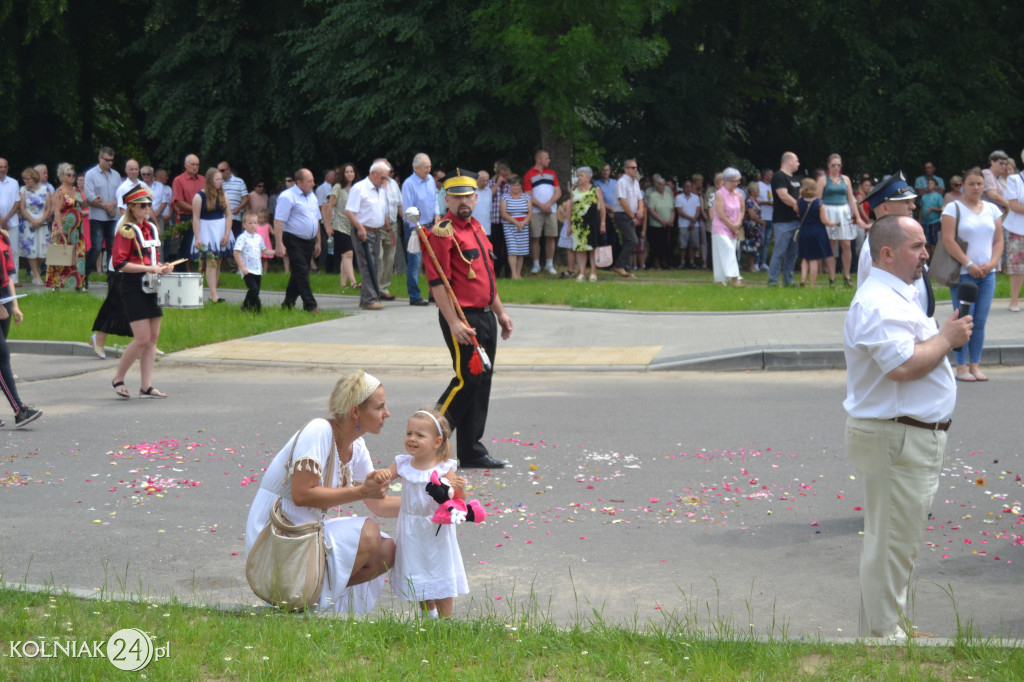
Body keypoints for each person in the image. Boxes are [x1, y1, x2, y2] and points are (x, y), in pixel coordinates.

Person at [842, 214, 972, 640]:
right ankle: (882, 639)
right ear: (887, 253)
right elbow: (901, 366)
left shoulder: (899, 295)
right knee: (892, 544)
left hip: (905, 434)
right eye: (916, 246)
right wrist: (947, 338)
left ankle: (883, 628)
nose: (925, 254)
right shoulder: (878, 301)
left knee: (896, 542)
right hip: (898, 436)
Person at [245, 371, 398, 614]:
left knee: (386, 549)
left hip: (306, 533)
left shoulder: (356, 445)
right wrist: (360, 491)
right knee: (368, 533)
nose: (387, 413)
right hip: (278, 535)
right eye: (380, 407)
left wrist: (428, 503)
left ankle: (312, 602)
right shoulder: (319, 431)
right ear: (356, 411)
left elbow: (378, 503)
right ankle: (303, 599)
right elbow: (302, 494)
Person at [425, 169, 513, 469]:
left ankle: (471, 450)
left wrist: (500, 313)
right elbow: (438, 283)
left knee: (481, 381)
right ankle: (428, 435)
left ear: (476, 197)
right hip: (462, 317)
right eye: (457, 196)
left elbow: (487, 279)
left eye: (468, 195)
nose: (464, 201)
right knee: (467, 379)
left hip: (485, 316)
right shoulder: (442, 232)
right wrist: (453, 322)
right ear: (446, 198)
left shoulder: (477, 228)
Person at [378, 408, 469, 618]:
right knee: (417, 571)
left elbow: (457, 501)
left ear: (437, 442)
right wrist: (381, 475)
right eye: (409, 433)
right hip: (411, 528)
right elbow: (385, 477)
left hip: (436, 529)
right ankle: (428, 615)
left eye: (420, 435)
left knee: (440, 572)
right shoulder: (402, 463)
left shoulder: (445, 467)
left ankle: (447, 621)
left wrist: (461, 489)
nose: (412, 438)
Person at [109, 187, 174, 400]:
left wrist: (163, 267)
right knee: (141, 338)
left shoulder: (151, 228)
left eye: (148, 205)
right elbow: (119, 263)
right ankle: (118, 378)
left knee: (153, 338)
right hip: (132, 285)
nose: (147, 208)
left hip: (151, 284)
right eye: (142, 206)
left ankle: (146, 385)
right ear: (132, 207)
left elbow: (151, 259)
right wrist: (149, 268)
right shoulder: (126, 230)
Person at [941, 169, 1003, 382]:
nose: (976, 187)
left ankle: (975, 363)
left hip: (987, 274)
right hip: (964, 274)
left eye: (979, 183)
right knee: (962, 321)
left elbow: (998, 240)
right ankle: (960, 366)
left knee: (980, 321)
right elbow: (948, 240)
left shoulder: (992, 209)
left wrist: (993, 263)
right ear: (963, 185)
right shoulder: (953, 208)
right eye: (972, 183)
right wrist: (968, 263)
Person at [858, 171, 932, 317]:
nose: (913, 206)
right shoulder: (874, 248)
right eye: (906, 202)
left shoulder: (899, 241)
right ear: (885, 208)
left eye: (912, 201)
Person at [0, 219, 42, 428]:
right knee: (1, 355)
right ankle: (19, 409)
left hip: (4, 300)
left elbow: (7, 277)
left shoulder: (3, 237)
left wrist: (14, 305)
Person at [345, 160, 391, 311]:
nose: (385, 181)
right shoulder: (359, 188)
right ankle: (370, 300)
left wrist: (387, 228)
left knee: (374, 265)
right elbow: (349, 211)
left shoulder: (381, 189)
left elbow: (381, 210)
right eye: (383, 177)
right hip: (363, 231)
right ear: (373, 174)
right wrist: (359, 227)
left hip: (376, 231)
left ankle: (366, 298)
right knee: (367, 264)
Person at [274, 168, 321, 313]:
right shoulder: (287, 197)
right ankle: (310, 305)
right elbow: (278, 220)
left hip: (309, 240)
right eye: (309, 181)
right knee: (301, 272)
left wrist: (318, 241)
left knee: (298, 273)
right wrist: (279, 243)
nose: (313, 184)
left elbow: (316, 219)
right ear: (299, 182)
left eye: (313, 180)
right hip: (293, 239)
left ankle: (288, 304)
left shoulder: (312, 196)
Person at [817, 153, 867, 286]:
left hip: (844, 211)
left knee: (846, 244)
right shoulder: (823, 180)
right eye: (833, 165)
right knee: (831, 245)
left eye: (838, 165)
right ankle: (832, 277)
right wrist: (820, 217)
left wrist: (858, 217)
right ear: (828, 165)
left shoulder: (846, 179)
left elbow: (851, 199)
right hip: (828, 211)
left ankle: (847, 276)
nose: (836, 167)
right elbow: (818, 200)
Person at [191, 167, 233, 303]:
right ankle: (214, 295)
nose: (219, 182)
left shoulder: (223, 195)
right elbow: (196, 218)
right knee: (211, 261)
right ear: (210, 180)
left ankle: (213, 293)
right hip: (206, 230)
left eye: (221, 179)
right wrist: (197, 237)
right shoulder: (199, 196)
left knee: (218, 261)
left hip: (220, 229)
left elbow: (228, 215)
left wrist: (227, 234)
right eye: (217, 179)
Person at [45, 163, 88, 291]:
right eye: (69, 175)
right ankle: (56, 283)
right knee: (61, 254)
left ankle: (78, 283)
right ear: (62, 176)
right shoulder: (59, 192)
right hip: (63, 228)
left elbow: (83, 204)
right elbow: (57, 211)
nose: (72, 177)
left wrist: (87, 195)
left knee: (78, 255)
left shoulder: (76, 190)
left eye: (73, 175)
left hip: (77, 229)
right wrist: (60, 228)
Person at [401, 154, 436, 305]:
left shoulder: (431, 180)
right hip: (415, 228)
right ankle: (414, 296)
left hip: (431, 224)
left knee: (433, 260)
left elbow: (435, 200)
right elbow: (408, 207)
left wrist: (437, 215)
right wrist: (417, 225)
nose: (429, 170)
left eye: (429, 166)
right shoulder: (409, 184)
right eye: (426, 167)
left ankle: (433, 293)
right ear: (416, 168)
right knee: (415, 262)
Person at [83, 147, 121, 287]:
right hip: (97, 217)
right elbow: (89, 196)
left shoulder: (116, 175)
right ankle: (84, 276)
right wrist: (107, 207)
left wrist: (111, 205)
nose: (110, 163)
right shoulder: (91, 174)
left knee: (113, 248)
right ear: (100, 158)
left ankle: (112, 278)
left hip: (113, 218)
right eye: (107, 160)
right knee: (97, 247)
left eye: (111, 160)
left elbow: (120, 195)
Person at [523, 149, 561, 275]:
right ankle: (536, 265)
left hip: (551, 210)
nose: (549, 160)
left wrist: (548, 204)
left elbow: (558, 192)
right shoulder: (529, 175)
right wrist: (541, 206)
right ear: (538, 160)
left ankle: (549, 264)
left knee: (551, 236)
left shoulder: (552, 173)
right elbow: (528, 194)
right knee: (535, 237)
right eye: (546, 158)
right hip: (535, 211)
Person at [767, 152, 802, 286]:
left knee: (793, 253)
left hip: (796, 221)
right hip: (783, 221)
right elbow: (783, 196)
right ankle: (773, 280)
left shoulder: (797, 179)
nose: (798, 164)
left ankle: (789, 280)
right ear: (789, 162)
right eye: (796, 161)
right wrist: (798, 207)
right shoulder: (779, 176)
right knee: (779, 251)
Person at [323, 163, 359, 290]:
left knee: (345, 256)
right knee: (349, 253)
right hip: (339, 225)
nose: (350, 174)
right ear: (343, 174)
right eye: (347, 172)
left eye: (352, 171)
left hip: (351, 226)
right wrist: (328, 226)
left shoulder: (356, 188)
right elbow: (329, 207)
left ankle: (343, 285)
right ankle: (354, 282)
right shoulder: (338, 187)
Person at [565, 167, 605, 282]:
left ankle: (593, 272)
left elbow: (602, 207)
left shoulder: (595, 189)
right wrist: (569, 226)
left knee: (592, 247)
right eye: (578, 176)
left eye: (581, 175)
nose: (579, 178)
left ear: (588, 177)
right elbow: (570, 209)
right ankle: (582, 273)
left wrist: (603, 223)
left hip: (591, 222)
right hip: (578, 223)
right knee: (579, 248)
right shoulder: (574, 191)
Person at [796, 178, 835, 287]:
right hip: (817, 232)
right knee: (813, 259)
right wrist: (833, 223)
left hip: (804, 231)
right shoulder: (819, 203)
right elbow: (824, 220)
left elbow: (796, 211)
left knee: (804, 257)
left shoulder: (800, 202)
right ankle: (812, 284)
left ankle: (803, 279)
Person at [234, 210, 275, 312]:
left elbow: (264, 250)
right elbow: (236, 252)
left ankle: (251, 308)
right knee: (253, 289)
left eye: (255, 223)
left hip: (257, 269)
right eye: (250, 223)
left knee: (256, 291)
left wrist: (275, 252)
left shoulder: (258, 238)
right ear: (244, 225)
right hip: (247, 269)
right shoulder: (242, 238)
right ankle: (251, 308)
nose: (253, 225)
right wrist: (242, 267)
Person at [711, 168, 745, 287]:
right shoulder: (719, 194)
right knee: (729, 249)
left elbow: (742, 210)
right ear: (725, 181)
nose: (736, 184)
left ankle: (720, 280)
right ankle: (735, 279)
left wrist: (738, 223)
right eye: (733, 181)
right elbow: (720, 214)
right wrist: (731, 225)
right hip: (720, 227)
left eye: (738, 181)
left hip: (734, 228)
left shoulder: (739, 195)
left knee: (724, 253)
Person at [18, 167, 51, 285]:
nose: (25, 181)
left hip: (42, 223)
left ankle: (34, 270)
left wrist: (41, 220)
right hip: (28, 224)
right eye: (24, 179)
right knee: (31, 250)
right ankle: (37, 277)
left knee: (43, 251)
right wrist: (32, 220)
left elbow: (48, 208)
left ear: (34, 178)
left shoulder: (45, 189)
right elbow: (21, 208)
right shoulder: (23, 190)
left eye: (28, 179)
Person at [612, 159, 644, 278]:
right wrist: (632, 216)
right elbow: (622, 200)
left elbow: (640, 199)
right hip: (622, 214)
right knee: (633, 240)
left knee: (627, 241)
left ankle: (627, 270)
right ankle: (619, 265)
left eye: (636, 167)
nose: (635, 169)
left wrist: (640, 210)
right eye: (632, 167)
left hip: (631, 214)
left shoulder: (635, 183)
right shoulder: (622, 182)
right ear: (626, 169)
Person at [171, 154, 203, 267]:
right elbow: (178, 201)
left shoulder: (203, 180)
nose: (195, 167)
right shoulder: (179, 180)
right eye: (193, 164)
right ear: (185, 165)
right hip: (187, 218)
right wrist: (196, 210)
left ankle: (208, 274)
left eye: (197, 164)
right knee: (186, 247)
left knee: (205, 245)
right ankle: (181, 273)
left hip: (203, 218)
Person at [500, 175, 531, 280]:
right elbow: (503, 213)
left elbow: (530, 213)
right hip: (509, 225)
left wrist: (523, 223)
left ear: (521, 186)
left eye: (517, 185)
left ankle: (519, 274)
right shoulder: (505, 197)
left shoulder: (526, 197)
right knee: (513, 249)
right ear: (510, 186)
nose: (515, 187)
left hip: (523, 226)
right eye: (513, 185)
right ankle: (513, 274)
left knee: (522, 250)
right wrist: (516, 223)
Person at [1005, 148, 1024, 312]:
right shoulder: (1014, 179)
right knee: (1017, 266)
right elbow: (1014, 205)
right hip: (1019, 229)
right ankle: (1014, 300)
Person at [645, 175, 674, 269]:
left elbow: (673, 209)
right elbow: (651, 210)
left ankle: (665, 263)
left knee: (666, 244)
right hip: (656, 225)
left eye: (664, 185)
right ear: (656, 186)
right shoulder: (653, 196)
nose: (663, 186)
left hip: (668, 225)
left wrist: (671, 220)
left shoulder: (668, 195)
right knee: (656, 245)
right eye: (661, 185)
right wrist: (661, 220)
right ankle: (657, 263)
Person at [674, 179, 701, 269]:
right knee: (683, 245)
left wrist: (693, 221)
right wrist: (691, 219)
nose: (688, 189)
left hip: (694, 224)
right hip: (683, 224)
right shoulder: (679, 197)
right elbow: (680, 211)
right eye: (686, 187)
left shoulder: (696, 197)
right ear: (683, 188)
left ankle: (692, 262)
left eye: (690, 187)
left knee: (693, 245)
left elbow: (698, 210)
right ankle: (682, 262)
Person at [741, 181, 765, 273]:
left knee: (757, 244)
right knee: (752, 245)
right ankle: (751, 265)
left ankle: (748, 264)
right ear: (753, 191)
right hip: (751, 226)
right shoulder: (749, 201)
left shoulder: (755, 201)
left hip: (756, 225)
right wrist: (761, 222)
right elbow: (752, 215)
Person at [755, 169, 774, 271]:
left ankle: (763, 262)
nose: (772, 176)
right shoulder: (759, 185)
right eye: (771, 174)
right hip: (762, 217)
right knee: (760, 240)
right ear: (765, 175)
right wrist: (767, 203)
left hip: (770, 217)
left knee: (767, 241)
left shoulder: (772, 186)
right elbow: (754, 200)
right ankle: (756, 262)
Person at [918, 178, 944, 250]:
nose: (929, 185)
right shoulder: (924, 196)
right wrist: (920, 221)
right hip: (925, 223)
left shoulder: (938, 196)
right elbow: (921, 209)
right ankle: (928, 260)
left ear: (935, 186)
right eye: (928, 184)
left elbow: (942, 209)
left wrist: (932, 208)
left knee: (935, 242)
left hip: (935, 222)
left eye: (931, 183)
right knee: (926, 242)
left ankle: (935, 259)